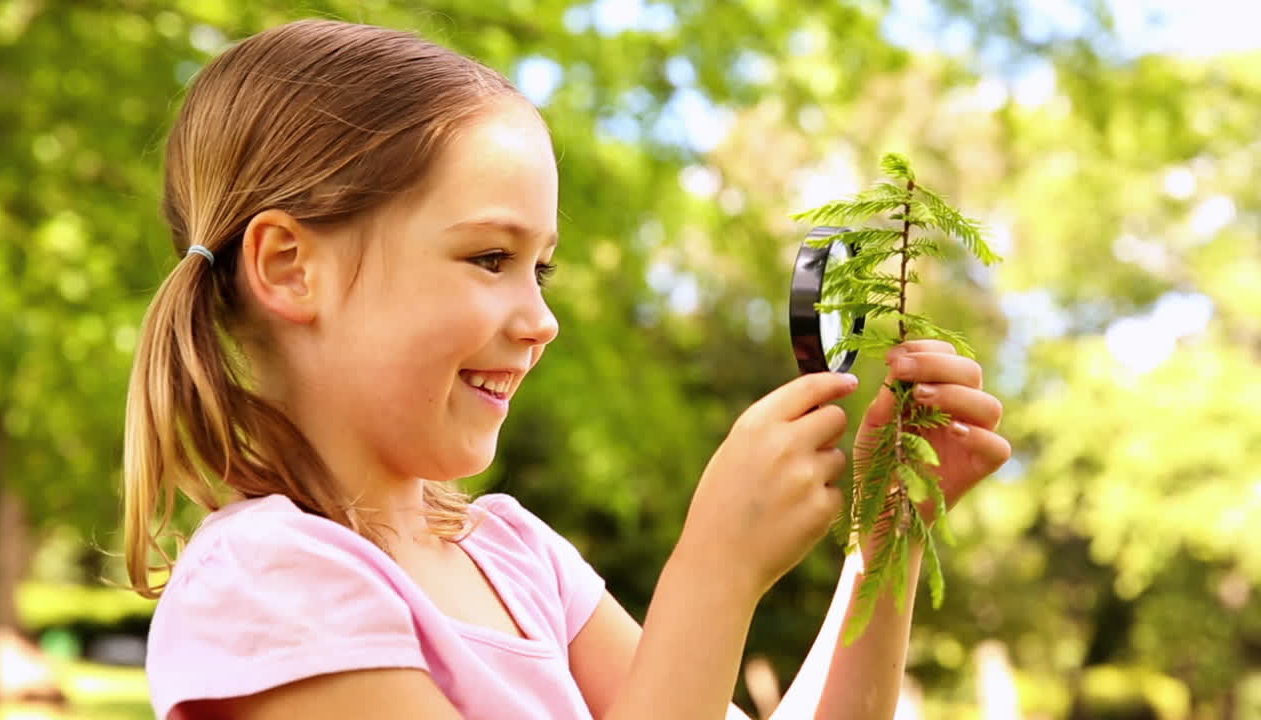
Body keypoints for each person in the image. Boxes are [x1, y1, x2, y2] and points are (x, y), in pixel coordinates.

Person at [122, 18, 1011, 720]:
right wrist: (714, 573)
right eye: (488, 259)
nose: (543, 320)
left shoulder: (519, 560)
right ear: (289, 267)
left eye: (540, 268)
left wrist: (883, 543)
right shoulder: (271, 587)